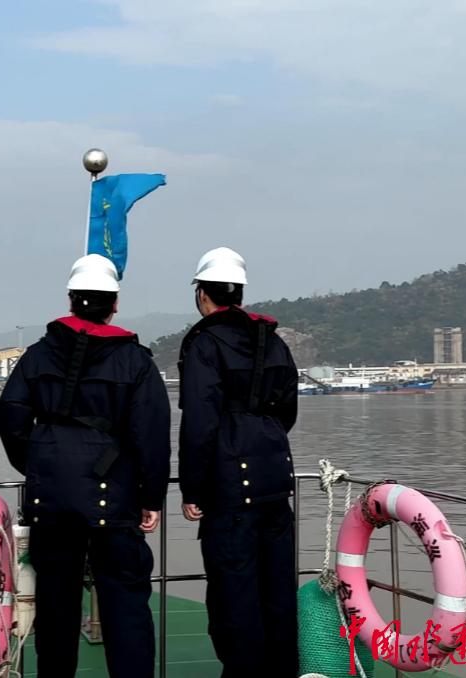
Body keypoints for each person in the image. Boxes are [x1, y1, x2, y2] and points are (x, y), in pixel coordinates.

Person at [0, 253, 171, 678]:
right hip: (116, 499)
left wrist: (40, 468)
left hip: (51, 499)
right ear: (115, 304)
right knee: (126, 605)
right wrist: (151, 497)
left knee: (56, 605)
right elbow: (151, 433)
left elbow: (11, 421)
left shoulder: (36, 356)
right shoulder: (135, 360)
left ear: (71, 300)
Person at [178, 246, 299, 677]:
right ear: (240, 293)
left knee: (233, 592)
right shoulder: (273, 340)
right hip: (274, 477)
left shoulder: (205, 343)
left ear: (202, 294)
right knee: (278, 589)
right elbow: (287, 411)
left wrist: (192, 489)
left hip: (229, 486)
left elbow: (199, 421)